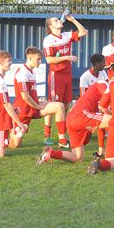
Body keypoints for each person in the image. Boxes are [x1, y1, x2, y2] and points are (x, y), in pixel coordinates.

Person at [2, 47, 67, 149]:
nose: (40, 61)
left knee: (59, 106)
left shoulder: (32, 72)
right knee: (15, 145)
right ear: (30, 58)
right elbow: (25, 97)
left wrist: (41, 101)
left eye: (41, 59)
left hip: (34, 109)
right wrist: (38, 106)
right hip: (23, 112)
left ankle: (62, 140)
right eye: (38, 59)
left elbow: (31, 94)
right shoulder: (22, 72)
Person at [36, 79, 112, 164]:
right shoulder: (105, 85)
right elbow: (103, 106)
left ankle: (51, 153)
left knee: (78, 157)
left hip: (71, 119)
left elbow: (102, 121)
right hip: (81, 115)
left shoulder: (101, 89)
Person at [43, 13, 88, 147]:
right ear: (51, 26)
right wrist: (66, 58)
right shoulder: (48, 39)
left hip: (67, 74)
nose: (59, 20)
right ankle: (47, 135)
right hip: (56, 75)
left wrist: (73, 19)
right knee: (54, 104)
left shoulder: (67, 36)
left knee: (66, 105)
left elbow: (83, 32)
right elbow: (49, 59)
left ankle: (62, 134)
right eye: (56, 20)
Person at [79, 53, 109, 154]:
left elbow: (108, 88)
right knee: (85, 135)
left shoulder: (103, 73)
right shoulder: (85, 77)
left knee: (102, 121)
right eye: (103, 62)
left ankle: (101, 149)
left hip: (101, 105)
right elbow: (83, 96)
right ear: (96, 64)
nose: (105, 64)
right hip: (89, 107)